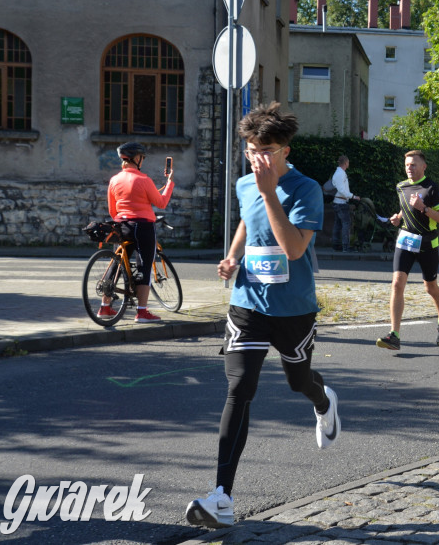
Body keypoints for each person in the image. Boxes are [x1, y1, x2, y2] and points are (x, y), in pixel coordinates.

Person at [186, 103, 339, 529]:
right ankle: (222, 497)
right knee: (240, 388)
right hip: (248, 302)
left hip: (293, 308)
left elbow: (294, 249)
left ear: (285, 150)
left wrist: (270, 192)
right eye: (252, 150)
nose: (258, 159)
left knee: (298, 381)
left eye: (267, 151)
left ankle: (324, 401)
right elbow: (246, 221)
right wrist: (233, 256)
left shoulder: (306, 189)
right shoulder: (244, 184)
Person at [377, 150, 439, 351]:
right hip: (405, 240)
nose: (409, 168)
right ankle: (394, 335)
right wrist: (398, 217)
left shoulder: (432, 188)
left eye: (413, 164)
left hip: (427, 243)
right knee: (397, 284)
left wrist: (424, 208)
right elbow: (406, 207)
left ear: (423, 166)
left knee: (430, 288)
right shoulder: (401, 186)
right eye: (407, 165)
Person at [102, 142, 175, 323]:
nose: (142, 160)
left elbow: (112, 210)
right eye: (142, 157)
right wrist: (169, 183)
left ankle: (104, 307)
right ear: (136, 158)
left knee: (116, 264)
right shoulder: (144, 180)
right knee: (144, 266)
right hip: (143, 227)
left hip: (122, 225)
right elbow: (161, 203)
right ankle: (142, 312)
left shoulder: (114, 180)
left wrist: (123, 218)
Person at [325, 155, 360, 252]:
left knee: (338, 224)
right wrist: (353, 196)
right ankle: (346, 247)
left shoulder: (339, 173)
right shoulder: (340, 174)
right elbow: (341, 190)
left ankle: (336, 245)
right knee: (346, 224)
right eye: (348, 162)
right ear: (345, 163)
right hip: (341, 203)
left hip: (338, 202)